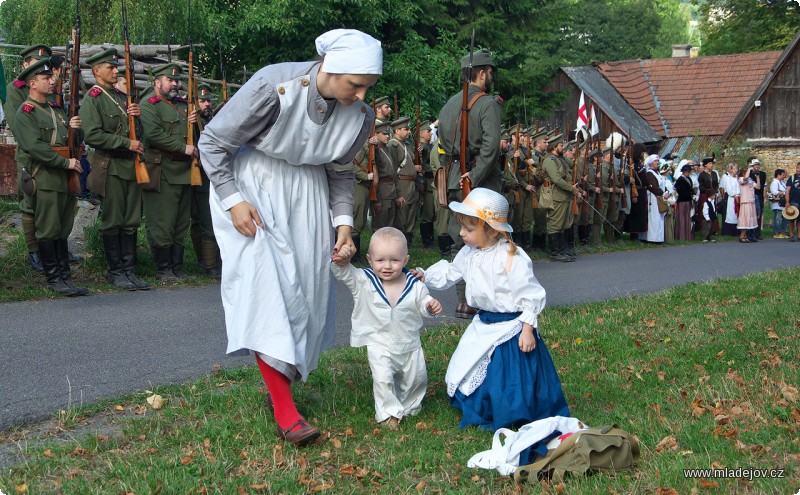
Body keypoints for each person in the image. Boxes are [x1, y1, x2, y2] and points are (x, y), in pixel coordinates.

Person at [198, 29, 382, 446]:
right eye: (355, 84)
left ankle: (280, 384)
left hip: (310, 197)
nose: (359, 95)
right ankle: (286, 411)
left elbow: (339, 173)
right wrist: (233, 200)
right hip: (255, 189)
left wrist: (344, 227)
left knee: (306, 299)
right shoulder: (273, 86)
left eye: (367, 87)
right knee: (268, 290)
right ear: (331, 68)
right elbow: (212, 143)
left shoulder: (361, 116)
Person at [412, 188, 568, 431]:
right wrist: (424, 275)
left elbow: (531, 295)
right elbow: (451, 272)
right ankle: (478, 402)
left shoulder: (511, 256)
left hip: (511, 328)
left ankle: (508, 408)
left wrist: (527, 329)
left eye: (469, 229)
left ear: (493, 229)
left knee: (503, 375)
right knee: (468, 363)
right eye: (462, 227)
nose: (462, 233)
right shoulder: (469, 252)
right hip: (483, 323)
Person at [331, 227, 442, 429]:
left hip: (409, 343)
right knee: (383, 378)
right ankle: (388, 413)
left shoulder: (413, 283)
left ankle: (410, 406)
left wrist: (429, 306)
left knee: (416, 378)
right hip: (378, 342)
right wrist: (342, 260)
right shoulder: (363, 280)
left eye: (395, 260)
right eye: (380, 260)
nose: (387, 266)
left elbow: (423, 301)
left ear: (406, 260)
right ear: (369, 259)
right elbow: (343, 273)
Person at [14, 59, 89, 296]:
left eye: (50, 77)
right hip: (45, 178)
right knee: (48, 229)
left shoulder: (56, 110)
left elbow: (73, 141)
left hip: (65, 178)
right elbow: (35, 147)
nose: (51, 81)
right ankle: (54, 279)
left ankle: (66, 277)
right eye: (46, 78)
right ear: (33, 83)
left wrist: (78, 129)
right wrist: (64, 162)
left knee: (63, 228)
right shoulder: (26, 112)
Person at [437, 48, 502, 319]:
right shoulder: (488, 103)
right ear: (483, 73)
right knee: (489, 239)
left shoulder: (448, 104)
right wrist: (475, 176)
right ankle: (484, 299)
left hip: (454, 178)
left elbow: (443, 142)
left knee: (460, 239)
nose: (490, 78)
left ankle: (463, 301)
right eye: (490, 73)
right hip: (480, 180)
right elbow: (491, 147)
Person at [80, 48, 150, 290]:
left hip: (131, 166)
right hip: (110, 166)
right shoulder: (94, 98)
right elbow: (93, 135)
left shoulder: (122, 97)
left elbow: (140, 135)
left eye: (115, 66)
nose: (115, 70)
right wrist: (125, 143)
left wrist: (138, 118)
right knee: (113, 219)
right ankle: (115, 271)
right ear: (96, 71)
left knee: (131, 219)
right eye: (110, 67)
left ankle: (129, 270)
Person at [5, 44, 53, 273]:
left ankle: (53, 248)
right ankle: (33, 251)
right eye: (35, 64)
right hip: (29, 155)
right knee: (30, 203)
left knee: (53, 203)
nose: (41, 68)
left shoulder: (50, 87)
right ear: (25, 64)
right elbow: (17, 125)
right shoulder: (15, 89)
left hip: (53, 156)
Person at [189, 82, 222, 278]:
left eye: (208, 100)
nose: (206, 104)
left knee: (211, 220)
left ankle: (213, 261)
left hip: (212, 177)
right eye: (202, 101)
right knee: (204, 221)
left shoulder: (213, 120)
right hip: (198, 176)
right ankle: (209, 264)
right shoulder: (191, 122)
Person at [390, 116, 418, 245]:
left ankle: (408, 241)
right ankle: (400, 243)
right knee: (402, 213)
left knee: (411, 213)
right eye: (405, 129)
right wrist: (397, 191)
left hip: (411, 183)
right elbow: (392, 168)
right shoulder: (393, 145)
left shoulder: (406, 145)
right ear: (397, 131)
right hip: (401, 183)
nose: (408, 131)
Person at [643, 154, 666, 243]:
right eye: (655, 161)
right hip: (653, 197)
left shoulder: (657, 172)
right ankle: (653, 238)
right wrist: (662, 193)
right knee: (654, 218)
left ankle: (658, 237)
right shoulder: (649, 173)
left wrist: (665, 192)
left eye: (657, 161)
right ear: (651, 163)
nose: (657, 162)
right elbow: (653, 187)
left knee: (659, 218)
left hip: (660, 197)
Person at [737, 166, 759, 242]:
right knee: (745, 219)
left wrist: (758, 177)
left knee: (749, 219)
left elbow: (758, 187)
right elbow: (745, 178)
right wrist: (749, 169)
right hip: (745, 201)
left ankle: (745, 235)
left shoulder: (750, 180)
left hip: (751, 201)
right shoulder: (740, 179)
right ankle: (742, 236)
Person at [718, 163, 741, 236]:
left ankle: (737, 230)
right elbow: (729, 188)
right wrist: (734, 196)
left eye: (736, 169)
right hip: (731, 198)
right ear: (730, 170)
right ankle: (729, 231)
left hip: (738, 196)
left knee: (737, 214)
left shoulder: (737, 178)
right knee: (731, 214)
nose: (735, 171)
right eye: (734, 169)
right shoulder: (728, 178)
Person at [748, 158, 767, 240]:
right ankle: (752, 233)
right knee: (753, 214)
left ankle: (758, 233)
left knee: (759, 213)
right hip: (752, 194)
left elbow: (761, 184)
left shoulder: (763, 174)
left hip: (759, 195)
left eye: (758, 165)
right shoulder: (750, 174)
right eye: (755, 165)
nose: (757, 166)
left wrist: (757, 176)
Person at [674, 163, 694, 241]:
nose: (689, 173)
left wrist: (692, 194)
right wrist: (689, 196)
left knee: (688, 218)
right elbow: (682, 191)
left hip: (688, 200)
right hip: (682, 201)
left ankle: (688, 235)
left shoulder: (688, 179)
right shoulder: (680, 180)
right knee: (682, 218)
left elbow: (690, 188)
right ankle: (681, 236)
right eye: (688, 171)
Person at [769, 168, 788, 238]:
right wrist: (783, 193)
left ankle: (782, 231)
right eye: (782, 175)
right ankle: (776, 232)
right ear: (778, 175)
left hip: (783, 204)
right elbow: (774, 192)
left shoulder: (782, 182)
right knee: (778, 218)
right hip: (777, 204)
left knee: (785, 217)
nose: (784, 176)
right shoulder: (774, 182)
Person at [786, 163, 800, 241]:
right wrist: (787, 202)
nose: (799, 169)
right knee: (792, 218)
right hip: (794, 201)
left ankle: (799, 235)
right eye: (797, 168)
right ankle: (791, 234)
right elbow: (787, 190)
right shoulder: (792, 178)